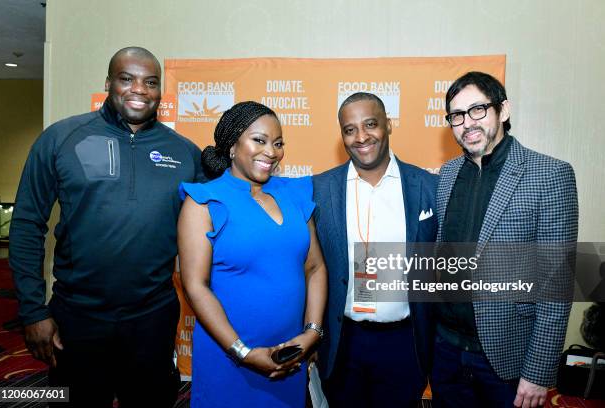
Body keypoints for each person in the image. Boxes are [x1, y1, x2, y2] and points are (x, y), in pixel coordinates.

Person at [9, 47, 205, 407]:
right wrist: (33, 311)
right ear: (108, 83)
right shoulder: (60, 140)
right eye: (126, 79)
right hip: (76, 318)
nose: (139, 90)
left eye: (150, 82)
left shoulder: (185, 153)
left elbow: (224, 215)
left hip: (153, 319)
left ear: (160, 91)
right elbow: (26, 225)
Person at [432, 71, 578, 408]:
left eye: (477, 110)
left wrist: (539, 372)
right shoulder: (447, 175)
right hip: (446, 352)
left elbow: (556, 285)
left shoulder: (549, 175)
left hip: (506, 361)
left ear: (504, 110)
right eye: (457, 115)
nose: (467, 123)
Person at [177, 101, 327, 407]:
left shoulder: (295, 194)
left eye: (278, 143)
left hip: (289, 358)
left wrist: (311, 332)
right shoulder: (204, 202)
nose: (271, 152)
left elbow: (315, 268)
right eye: (259, 140)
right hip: (228, 359)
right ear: (232, 145)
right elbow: (195, 285)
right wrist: (242, 352)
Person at [312, 92, 438, 407]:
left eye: (370, 124)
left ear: (389, 125)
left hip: (404, 342)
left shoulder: (429, 187)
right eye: (349, 129)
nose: (361, 136)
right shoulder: (319, 189)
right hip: (343, 341)